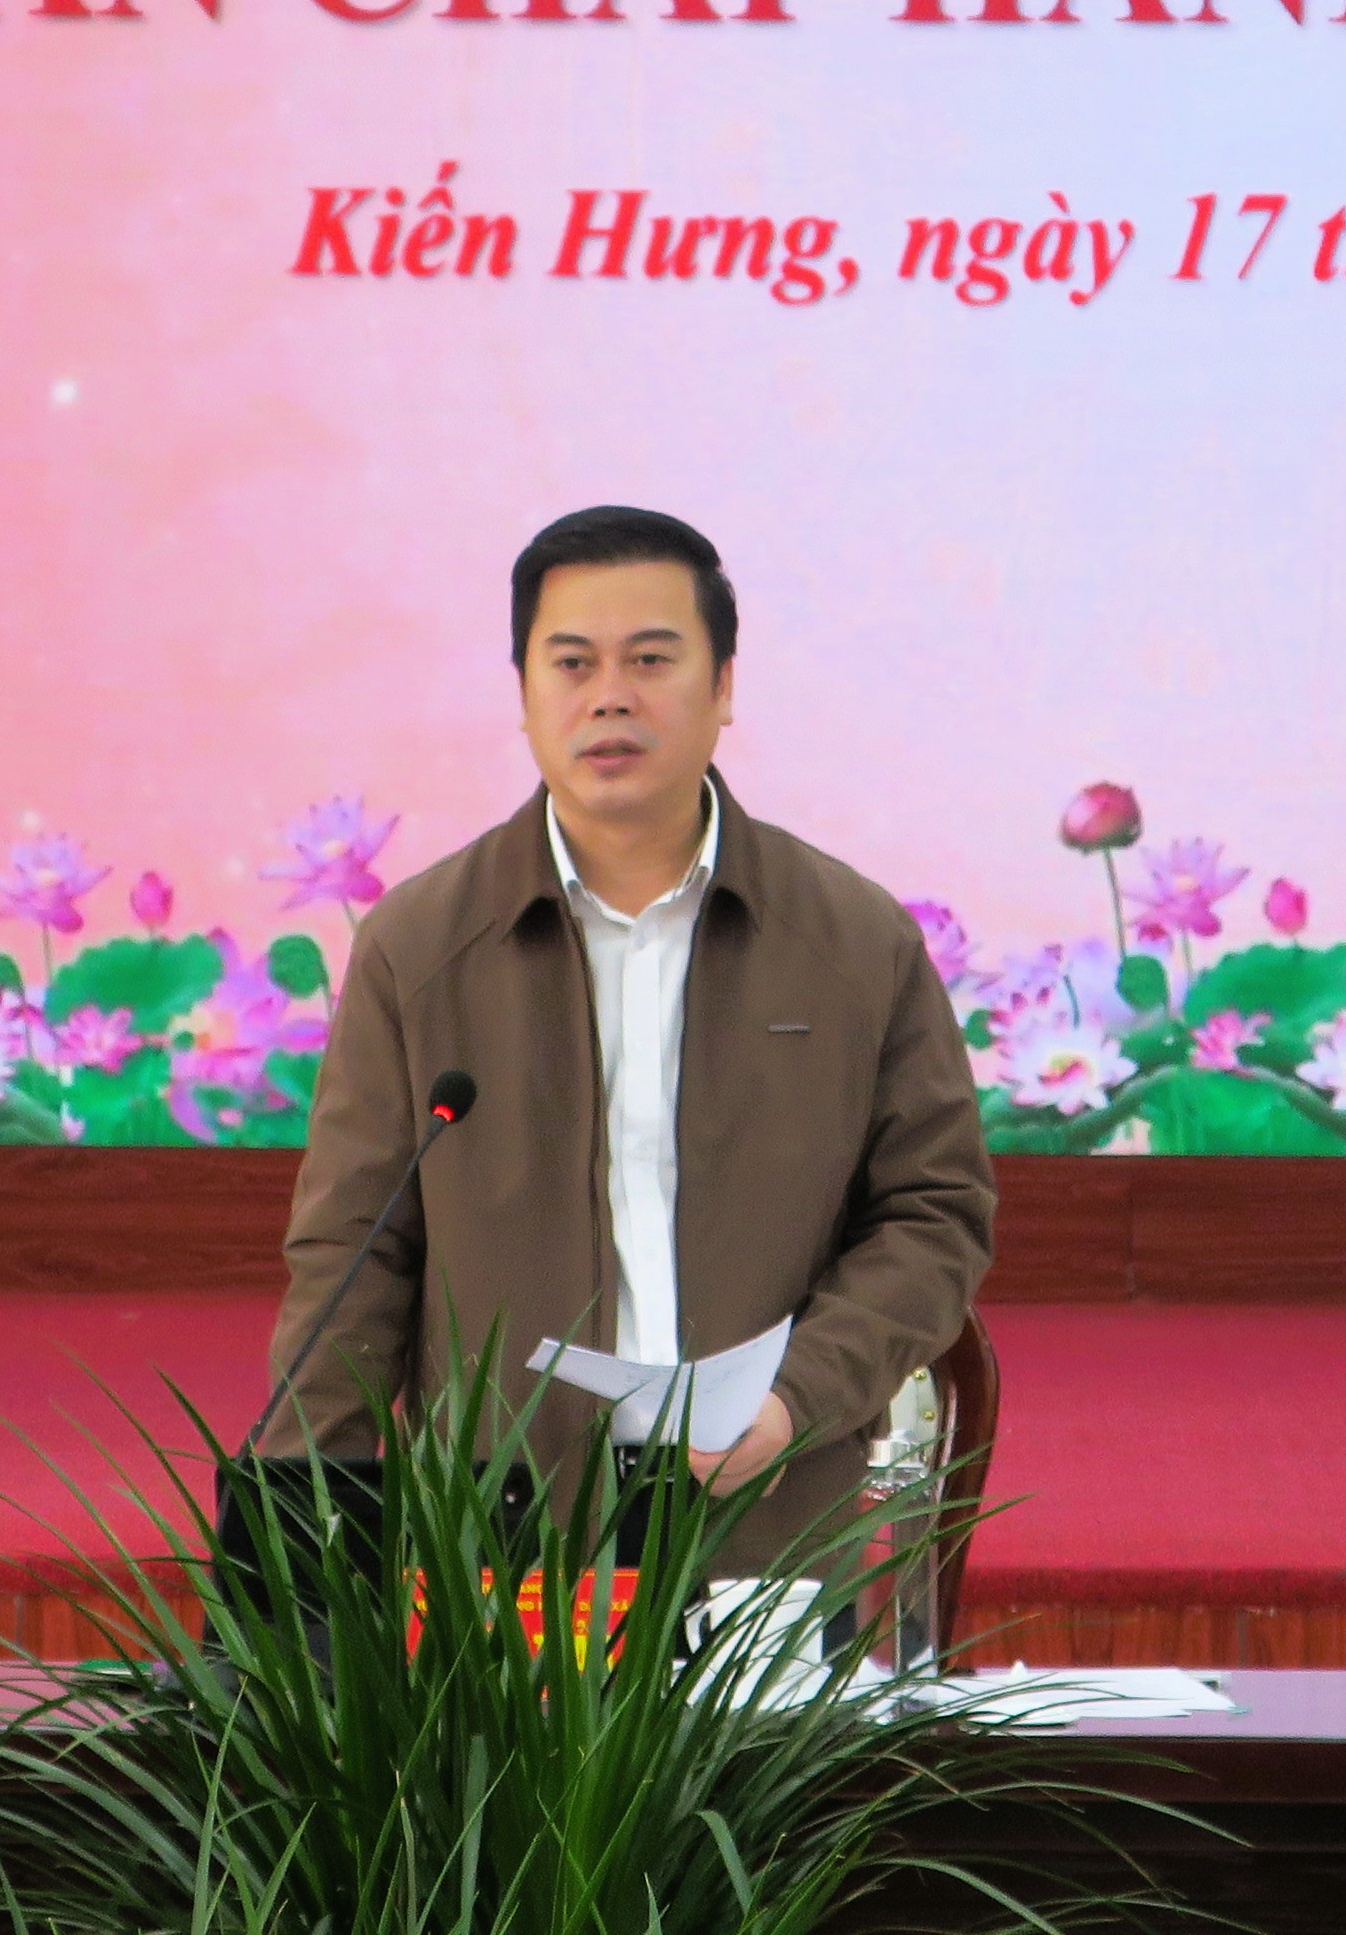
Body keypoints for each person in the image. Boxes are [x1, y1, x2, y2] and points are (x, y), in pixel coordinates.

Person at [260, 506, 993, 1566]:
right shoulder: (419, 949)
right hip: (497, 1541)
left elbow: (936, 1214)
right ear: (524, 694)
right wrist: (299, 1547)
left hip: (767, 1522)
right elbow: (353, 1254)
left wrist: (796, 1396)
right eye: (572, 663)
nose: (610, 695)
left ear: (723, 686)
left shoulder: (851, 941)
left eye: (651, 659)